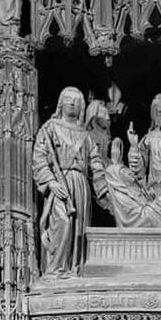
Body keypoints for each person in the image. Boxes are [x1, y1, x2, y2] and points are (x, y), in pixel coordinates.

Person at [33, 87, 106, 276]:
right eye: (68, 99)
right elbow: (39, 157)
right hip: (59, 183)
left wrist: (104, 190)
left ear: (82, 106)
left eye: (76, 100)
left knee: (78, 229)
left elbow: (95, 162)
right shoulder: (49, 128)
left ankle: (74, 269)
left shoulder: (85, 134)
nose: (72, 103)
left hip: (80, 184)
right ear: (61, 103)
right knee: (62, 223)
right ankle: (55, 269)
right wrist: (50, 182)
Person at [105, 137, 161, 228]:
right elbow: (144, 219)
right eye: (124, 172)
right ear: (119, 181)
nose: (129, 172)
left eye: (126, 169)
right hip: (154, 223)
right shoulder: (122, 198)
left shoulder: (135, 191)